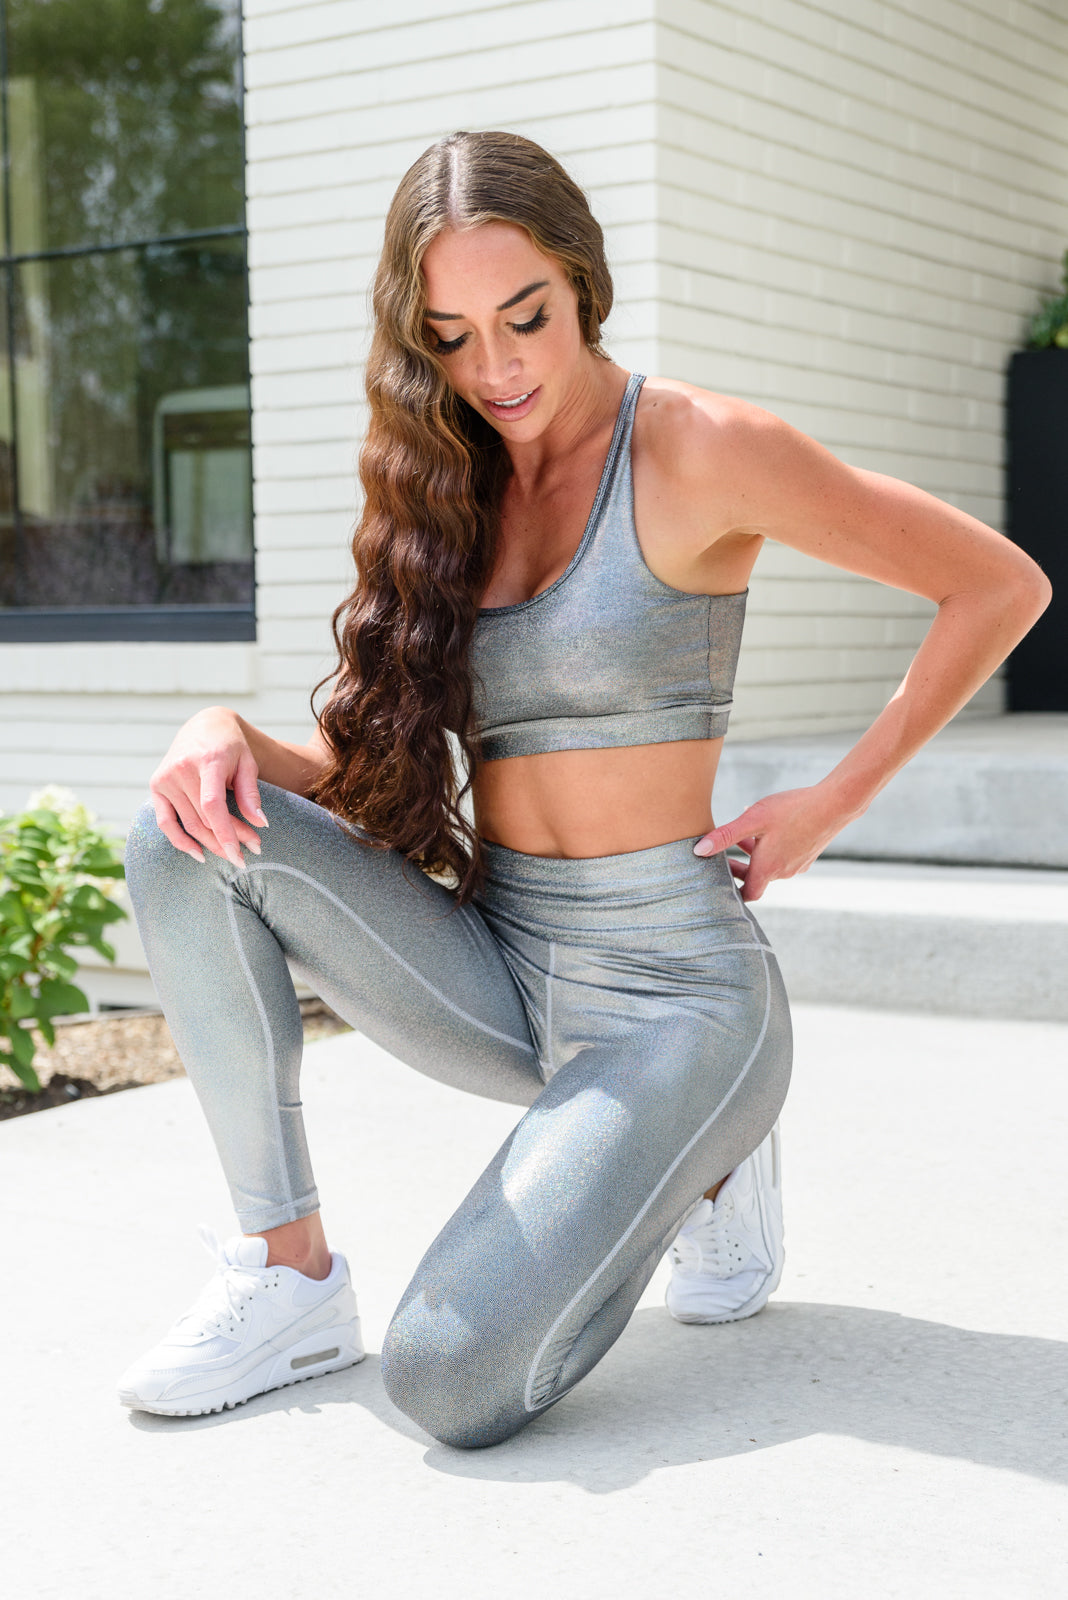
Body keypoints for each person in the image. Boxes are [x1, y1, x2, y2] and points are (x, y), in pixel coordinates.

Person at [117, 130, 1050, 1447]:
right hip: (501, 968)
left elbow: (999, 585)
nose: (496, 368)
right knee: (180, 835)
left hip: (674, 997)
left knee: (446, 1379)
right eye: (452, 337)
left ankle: (703, 1149)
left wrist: (830, 802)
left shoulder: (700, 446)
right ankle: (289, 1276)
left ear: (582, 282)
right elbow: (370, 766)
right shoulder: (449, 482)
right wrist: (217, 729)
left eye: (526, 317)